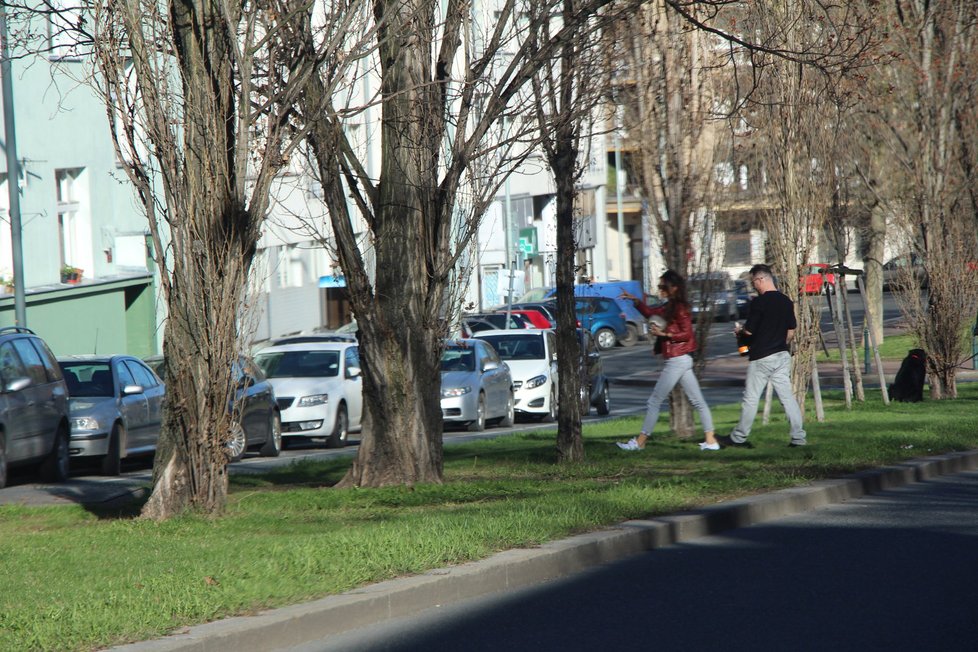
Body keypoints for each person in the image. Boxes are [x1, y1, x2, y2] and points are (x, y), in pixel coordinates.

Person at [616, 270, 718, 451]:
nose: (660, 289)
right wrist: (636, 301)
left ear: (674, 288)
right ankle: (711, 441)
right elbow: (652, 313)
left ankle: (640, 443)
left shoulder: (680, 308)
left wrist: (665, 334)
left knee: (654, 401)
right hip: (680, 359)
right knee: (698, 401)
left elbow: (687, 334)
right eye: (660, 286)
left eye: (664, 286)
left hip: (677, 359)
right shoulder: (670, 306)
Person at [718, 264, 807, 448]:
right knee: (787, 398)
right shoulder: (786, 301)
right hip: (782, 355)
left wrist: (740, 331)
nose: (753, 286)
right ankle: (798, 438)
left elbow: (749, 331)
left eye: (753, 282)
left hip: (762, 357)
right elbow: (791, 331)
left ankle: (738, 438)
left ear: (760, 280)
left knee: (750, 398)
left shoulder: (760, 302)